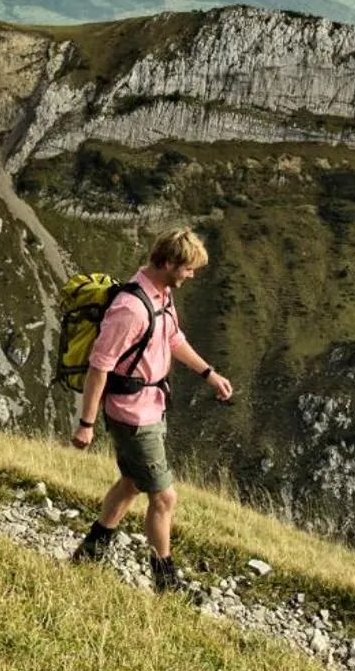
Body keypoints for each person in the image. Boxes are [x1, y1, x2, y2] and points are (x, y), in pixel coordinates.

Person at [70, 227, 233, 594]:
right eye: (188, 268)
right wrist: (86, 424)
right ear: (169, 262)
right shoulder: (130, 308)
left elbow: (174, 339)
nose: (191, 276)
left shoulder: (161, 295)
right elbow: (100, 365)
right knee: (164, 497)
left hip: (151, 406)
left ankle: (91, 553)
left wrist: (209, 374)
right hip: (133, 415)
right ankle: (165, 581)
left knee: (131, 482)